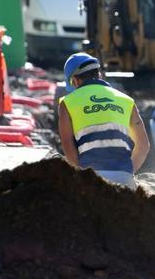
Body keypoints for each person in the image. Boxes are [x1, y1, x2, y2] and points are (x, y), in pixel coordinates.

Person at [58, 53, 150, 187]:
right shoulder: (126, 101)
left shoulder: (67, 103)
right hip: (124, 175)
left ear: (75, 81)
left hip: (91, 178)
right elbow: (143, 145)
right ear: (99, 75)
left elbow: (67, 144)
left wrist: (81, 175)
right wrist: (128, 171)